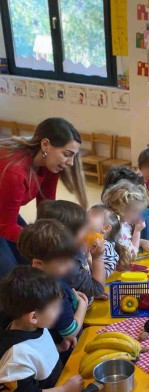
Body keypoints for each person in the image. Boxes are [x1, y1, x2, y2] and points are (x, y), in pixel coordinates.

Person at [0, 266, 84, 392]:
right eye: (55, 308)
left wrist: (58, 348)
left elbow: (37, 352)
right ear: (33, 317)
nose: (59, 312)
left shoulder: (33, 326)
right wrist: (65, 390)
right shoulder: (16, 356)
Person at [0, 117, 87, 278]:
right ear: (45, 145)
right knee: (10, 273)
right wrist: (48, 242)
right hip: (3, 221)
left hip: (3, 213)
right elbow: (5, 226)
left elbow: (47, 211)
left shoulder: (49, 166)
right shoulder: (15, 172)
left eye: (74, 156)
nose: (71, 163)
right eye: (67, 154)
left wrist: (60, 238)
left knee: (30, 259)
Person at [17, 219, 88, 351]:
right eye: (63, 262)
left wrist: (71, 296)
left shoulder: (46, 276)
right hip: (65, 348)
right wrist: (82, 305)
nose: (70, 265)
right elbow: (70, 333)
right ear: (38, 264)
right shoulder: (54, 292)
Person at [37, 200, 105, 301]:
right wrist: (97, 258)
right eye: (84, 229)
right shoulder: (67, 263)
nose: (88, 232)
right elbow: (97, 289)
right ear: (68, 235)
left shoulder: (73, 250)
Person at [102, 180, 149, 257]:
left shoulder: (118, 221)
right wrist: (137, 231)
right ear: (122, 210)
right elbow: (131, 255)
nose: (139, 215)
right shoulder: (119, 228)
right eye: (136, 211)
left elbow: (125, 242)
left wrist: (142, 242)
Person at [87, 204, 131, 277]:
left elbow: (104, 275)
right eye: (87, 213)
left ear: (105, 228)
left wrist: (89, 258)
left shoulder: (106, 247)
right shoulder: (79, 239)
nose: (86, 216)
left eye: (94, 215)